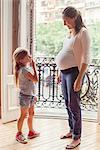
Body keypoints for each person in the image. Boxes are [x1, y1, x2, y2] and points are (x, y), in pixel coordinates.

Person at [55, 6, 90, 149]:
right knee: (67, 104)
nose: (64, 24)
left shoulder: (83, 33)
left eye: (66, 20)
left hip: (74, 73)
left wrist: (79, 78)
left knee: (74, 105)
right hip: (64, 73)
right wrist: (59, 72)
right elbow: (65, 53)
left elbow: (86, 57)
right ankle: (71, 130)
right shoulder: (70, 33)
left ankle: (77, 137)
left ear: (74, 17)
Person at [13, 47, 40, 144]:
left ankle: (31, 131)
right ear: (21, 60)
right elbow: (35, 80)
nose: (30, 57)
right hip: (25, 96)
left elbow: (32, 84)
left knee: (31, 114)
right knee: (23, 115)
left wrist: (34, 94)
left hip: (31, 95)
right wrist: (34, 66)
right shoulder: (24, 70)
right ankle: (19, 133)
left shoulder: (26, 68)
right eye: (27, 56)